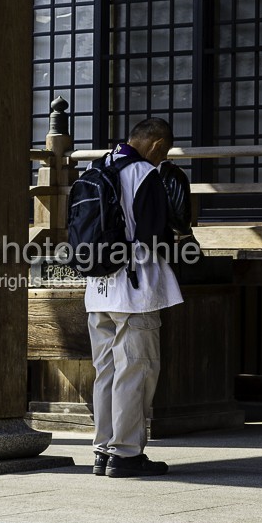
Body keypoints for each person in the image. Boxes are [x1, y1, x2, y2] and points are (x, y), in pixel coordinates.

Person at [85, 117, 183, 478]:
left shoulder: (95, 168)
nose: (163, 158)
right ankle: (125, 454)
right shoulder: (144, 173)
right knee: (136, 370)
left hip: (97, 288)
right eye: (164, 151)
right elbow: (154, 235)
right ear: (156, 145)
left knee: (106, 372)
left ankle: (103, 450)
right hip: (134, 289)